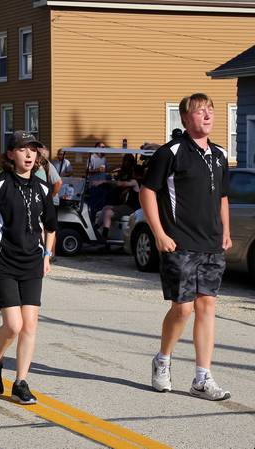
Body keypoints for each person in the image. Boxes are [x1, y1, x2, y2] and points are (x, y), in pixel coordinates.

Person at [141, 93, 232, 401]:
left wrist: (226, 232)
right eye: (199, 112)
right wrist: (158, 233)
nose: (206, 116)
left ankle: (202, 378)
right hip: (179, 243)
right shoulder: (171, 152)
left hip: (211, 245)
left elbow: (222, 196)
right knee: (183, 308)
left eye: (210, 110)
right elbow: (148, 192)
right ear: (184, 119)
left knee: (207, 307)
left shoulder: (219, 155)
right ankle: (163, 360)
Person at [0, 130, 57, 405]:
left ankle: (21, 382)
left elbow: (51, 228)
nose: (30, 154)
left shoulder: (43, 188)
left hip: (32, 262)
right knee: (13, 325)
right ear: (11, 154)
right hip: (3, 262)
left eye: (33, 149)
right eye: (23, 149)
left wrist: (46, 255)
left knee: (30, 325)